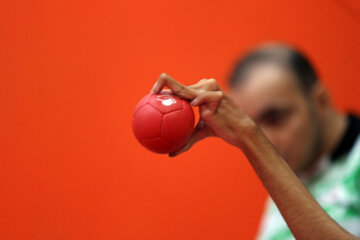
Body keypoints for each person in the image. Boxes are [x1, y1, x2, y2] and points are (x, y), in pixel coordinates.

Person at [150, 43, 360, 240]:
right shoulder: (292, 177)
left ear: (320, 100)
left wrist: (250, 135)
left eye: (275, 118)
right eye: (256, 125)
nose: (267, 138)